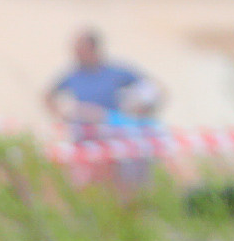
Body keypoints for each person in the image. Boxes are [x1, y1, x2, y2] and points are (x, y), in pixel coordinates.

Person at [45, 28, 165, 189]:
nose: (76, 54)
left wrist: (142, 109)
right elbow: (49, 95)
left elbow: (152, 89)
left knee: (122, 173)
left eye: (80, 49)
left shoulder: (115, 72)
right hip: (84, 134)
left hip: (113, 129)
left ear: (93, 49)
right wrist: (60, 116)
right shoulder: (73, 75)